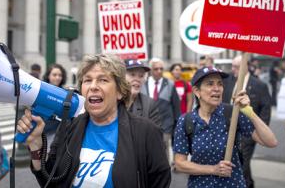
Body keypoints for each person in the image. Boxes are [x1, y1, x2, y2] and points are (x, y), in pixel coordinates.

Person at [17, 54, 171, 187]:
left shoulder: (146, 132)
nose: (93, 87)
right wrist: (36, 144)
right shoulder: (69, 127)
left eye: (103, 80)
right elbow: (50, 182)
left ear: (120, 92)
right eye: (87, 80)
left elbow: (160, 182)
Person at [173, 66, 278, 188]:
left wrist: (250, 112)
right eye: (210, 84)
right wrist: (213, 169)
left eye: (220, 84)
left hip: (232, 184)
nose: (217, 89)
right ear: (197, 91)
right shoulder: (186, 121)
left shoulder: (232, 114)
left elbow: (271, 142)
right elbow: (179, 164)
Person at [222, 55, 272, 188]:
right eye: (232, 66)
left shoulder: (259, 85)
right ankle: (249, 183)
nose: (233, 70)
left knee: (241, 162)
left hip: (248, 132)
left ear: (246, 66)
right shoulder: (227, 80)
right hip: (227, 129)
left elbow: (266, 109)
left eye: (236, 67)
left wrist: (261, 129)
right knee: (237, 161)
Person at [141, 58, 181, 161]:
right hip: (146, 123)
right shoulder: (143, 84)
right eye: (156, 69)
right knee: (147, 149)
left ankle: (165, 172)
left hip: (165, 124)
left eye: (161, 69)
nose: (159, 71)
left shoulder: (170, 84)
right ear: (150, 70)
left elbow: (176, 105)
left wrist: (177, 124)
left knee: (163, 147)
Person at [124, 59, 161, 127]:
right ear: (122, 77)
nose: (137, 79)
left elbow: (155, 134)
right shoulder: (112, 101)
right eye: (132, 75)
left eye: (141, 76)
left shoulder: (149, 105)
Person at [42, 64, 67, 136]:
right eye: (54, 75)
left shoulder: (65, 93)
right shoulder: (42, 90)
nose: (57, 77)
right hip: (43, 131)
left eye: (60, 75)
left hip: (59, 132)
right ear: (48, 76)